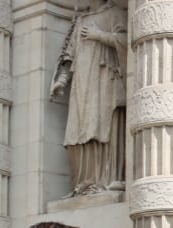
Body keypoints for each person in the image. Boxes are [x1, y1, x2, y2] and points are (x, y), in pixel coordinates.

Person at [50, 0, 127, 196]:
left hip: (104, 82)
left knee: (101, 129)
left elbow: (128, 42)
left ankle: (106, 181)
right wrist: (62, 80)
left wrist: (100, 36)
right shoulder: (79, 20)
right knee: (76, 134)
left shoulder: (116, 13)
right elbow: (69, 55)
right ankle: (82, 184)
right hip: (81, 85)